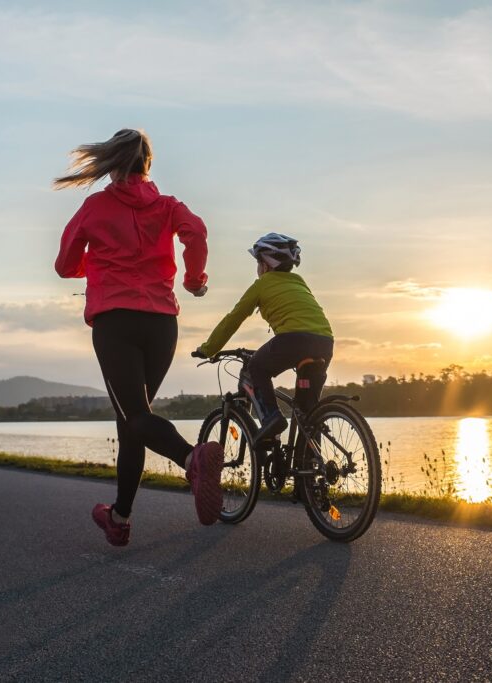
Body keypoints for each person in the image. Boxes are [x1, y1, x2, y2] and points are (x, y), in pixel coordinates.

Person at [54, 128, 223, 547]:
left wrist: (93, 267)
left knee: (135, 418)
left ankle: (192, 458)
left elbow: (64, 264)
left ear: (111, 164)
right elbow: (197, 233)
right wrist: (194, 279)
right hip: (162, 323)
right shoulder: (167, 205)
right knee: (133, 422)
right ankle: (120, 517)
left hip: (117, 321)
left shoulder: (96, 206)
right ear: (148, 165)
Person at [196, 233, 334, 443]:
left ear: (266, 265)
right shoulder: (299, 281)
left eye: (258, 262)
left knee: (255, 368)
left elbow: (233, 319)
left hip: (292, 340)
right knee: (308, 413)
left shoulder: (261, 284)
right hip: (324, 342)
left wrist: (208, 348)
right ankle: (306, 469)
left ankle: (271, 417)